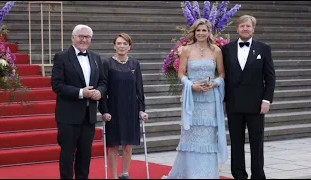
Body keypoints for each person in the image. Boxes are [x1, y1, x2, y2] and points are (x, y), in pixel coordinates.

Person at [162, 18, 228, 179]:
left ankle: (208, 174)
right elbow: (181, 74)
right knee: (190, 135)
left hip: (210, 100)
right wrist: (190, 85)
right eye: (198, 30)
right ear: (194, 32)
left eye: (204, 30)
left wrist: (214, 84)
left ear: (209, 32)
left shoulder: (216, 51)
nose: (201, 33)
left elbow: (222, 74)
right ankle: (190, 174)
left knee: (208, 136)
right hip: (192, 99)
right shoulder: (186, 50)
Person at [221, 15, 276, 179]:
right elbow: (224, 76)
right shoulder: (226, 49)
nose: (245, 29)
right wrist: (223, 99)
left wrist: (267, 100)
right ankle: (238, 175)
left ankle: (258, 175)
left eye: (248, 26)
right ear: (237, 28)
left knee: (256, 143)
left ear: (253, 28)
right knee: (236, 143)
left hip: (256, 104)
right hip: (234, 104)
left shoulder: (264, 48)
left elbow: (270, 77)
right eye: (242, 26)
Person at [51, 24, 107, 179]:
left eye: (87, 37)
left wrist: (99, 92)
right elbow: (57, 85)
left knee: (85, 155)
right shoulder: (61, 57)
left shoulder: (95, 57)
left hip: (88, 115)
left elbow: (103, 82)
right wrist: (81, 92)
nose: (84, 39)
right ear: (73, 37)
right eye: (81, 36)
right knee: (67, 154)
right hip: (68, 115)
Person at [98, 33, 149, 179]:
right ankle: (114, 177)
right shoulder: (107, 64)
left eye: (125, 44)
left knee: (128, 145)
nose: (122, 46)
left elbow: (139, 88)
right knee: (113, 146)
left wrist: (141, 110)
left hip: (131, 109)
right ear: (114, 46)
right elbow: (103, 88)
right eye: (119, 43)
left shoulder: (134, 64)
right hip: (113, 109)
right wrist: (104, 110)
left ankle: (124, 174)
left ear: (129, 47)